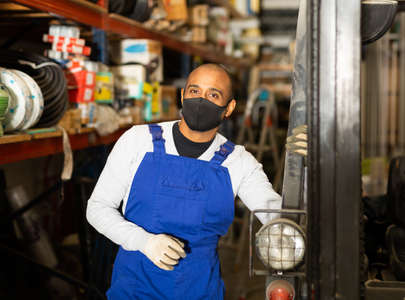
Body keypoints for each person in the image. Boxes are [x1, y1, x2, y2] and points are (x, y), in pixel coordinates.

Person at [86, 64, 282, 300]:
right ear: (182, 96)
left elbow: (277, 215)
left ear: (229, 108)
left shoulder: (238, 162)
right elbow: (97, 208)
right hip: (133, 290)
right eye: (194, 91)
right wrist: (143, 241)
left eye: (213, 95)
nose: (201, 100)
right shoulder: (138, 141)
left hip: (199, 291)